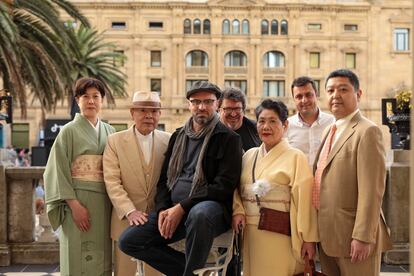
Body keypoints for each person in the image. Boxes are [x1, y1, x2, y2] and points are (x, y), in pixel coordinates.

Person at [118, 80, 243, 276]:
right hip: (175, 209)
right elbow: (163, 180)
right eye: (196, 101)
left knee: (199, 213)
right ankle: (190, 272)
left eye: (208, 101)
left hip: (211, 211)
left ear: (217, 104)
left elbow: (223, 186)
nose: (201, 107)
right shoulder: (178, 136)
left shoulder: (228, 139)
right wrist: (162, 210)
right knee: (129, 241)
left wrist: (182, 207)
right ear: (189, 105)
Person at [314, 69, 391, 276]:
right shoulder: (328, 131)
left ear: (358, 94)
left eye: (343, 89)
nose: (335, 95)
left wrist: (363, 236)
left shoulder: (367, 131)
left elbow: (372, 191)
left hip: (354, 239)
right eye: (330, 90)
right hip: (328, 237)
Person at [232, 99, 318, 276]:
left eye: (273, 121)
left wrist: (309, 239)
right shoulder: (249, 156)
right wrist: (238, 210)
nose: (266, 126)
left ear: (285, 125)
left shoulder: (295, 157)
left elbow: (304, 201)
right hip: (252, 233)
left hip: (281, 233)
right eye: (261, 121)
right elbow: (236, 189)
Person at [44, 77, 115, 276]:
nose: (91, 101)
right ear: (78, 100)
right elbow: (57, 169)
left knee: (102, 256)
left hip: (104, 201)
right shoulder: (67, 132)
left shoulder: (110, 131)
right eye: (86, 96)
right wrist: (74, 206)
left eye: (96, 96)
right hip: (77, 200)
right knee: (76, 256)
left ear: (102, 100)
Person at [103, 91, 171, 276]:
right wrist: (130, 210)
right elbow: (112, 181)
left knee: (157, 272)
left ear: (159, 114)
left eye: (154, 111)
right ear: (132, 113)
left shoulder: (169, 140)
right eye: (142, 110)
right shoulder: (114, 141)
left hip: (158, 225)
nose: (149, 115)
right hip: (125, 222)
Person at [286, 76, 334, 166]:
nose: (304, 100)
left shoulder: (333, 123)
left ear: (316, 94)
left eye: (308, 95)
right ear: (294, 99)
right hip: (298, 180)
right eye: (299, 97)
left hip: (326, 180)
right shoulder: (286, 127)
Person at [218, 87, 260, 151]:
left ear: (243, 110)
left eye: (237, 109)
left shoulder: (256, 129)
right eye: (228, 109)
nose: (233, 114)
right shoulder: (211, 131)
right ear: (219, 110)